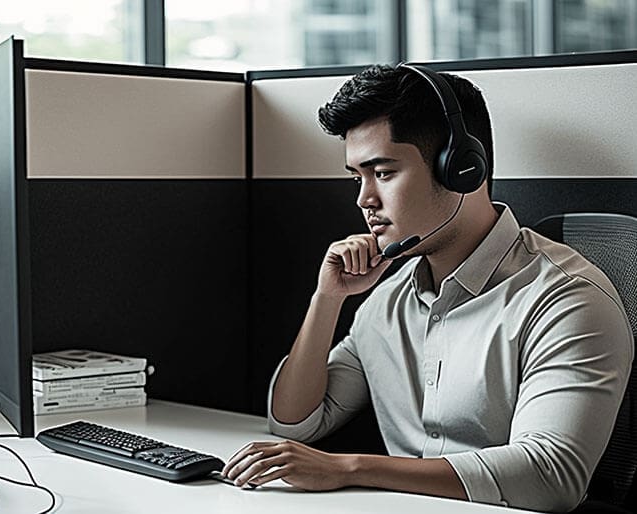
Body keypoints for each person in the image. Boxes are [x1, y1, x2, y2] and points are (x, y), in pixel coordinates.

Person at [221, 64, 633, 512]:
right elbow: (296, 424)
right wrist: (328, 299)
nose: (363, 200)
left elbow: (549, 476)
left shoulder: (565, 299)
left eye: (382, 172)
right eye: (355, 177)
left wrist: (351, 469)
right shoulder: (389, 299)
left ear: (460, 170)